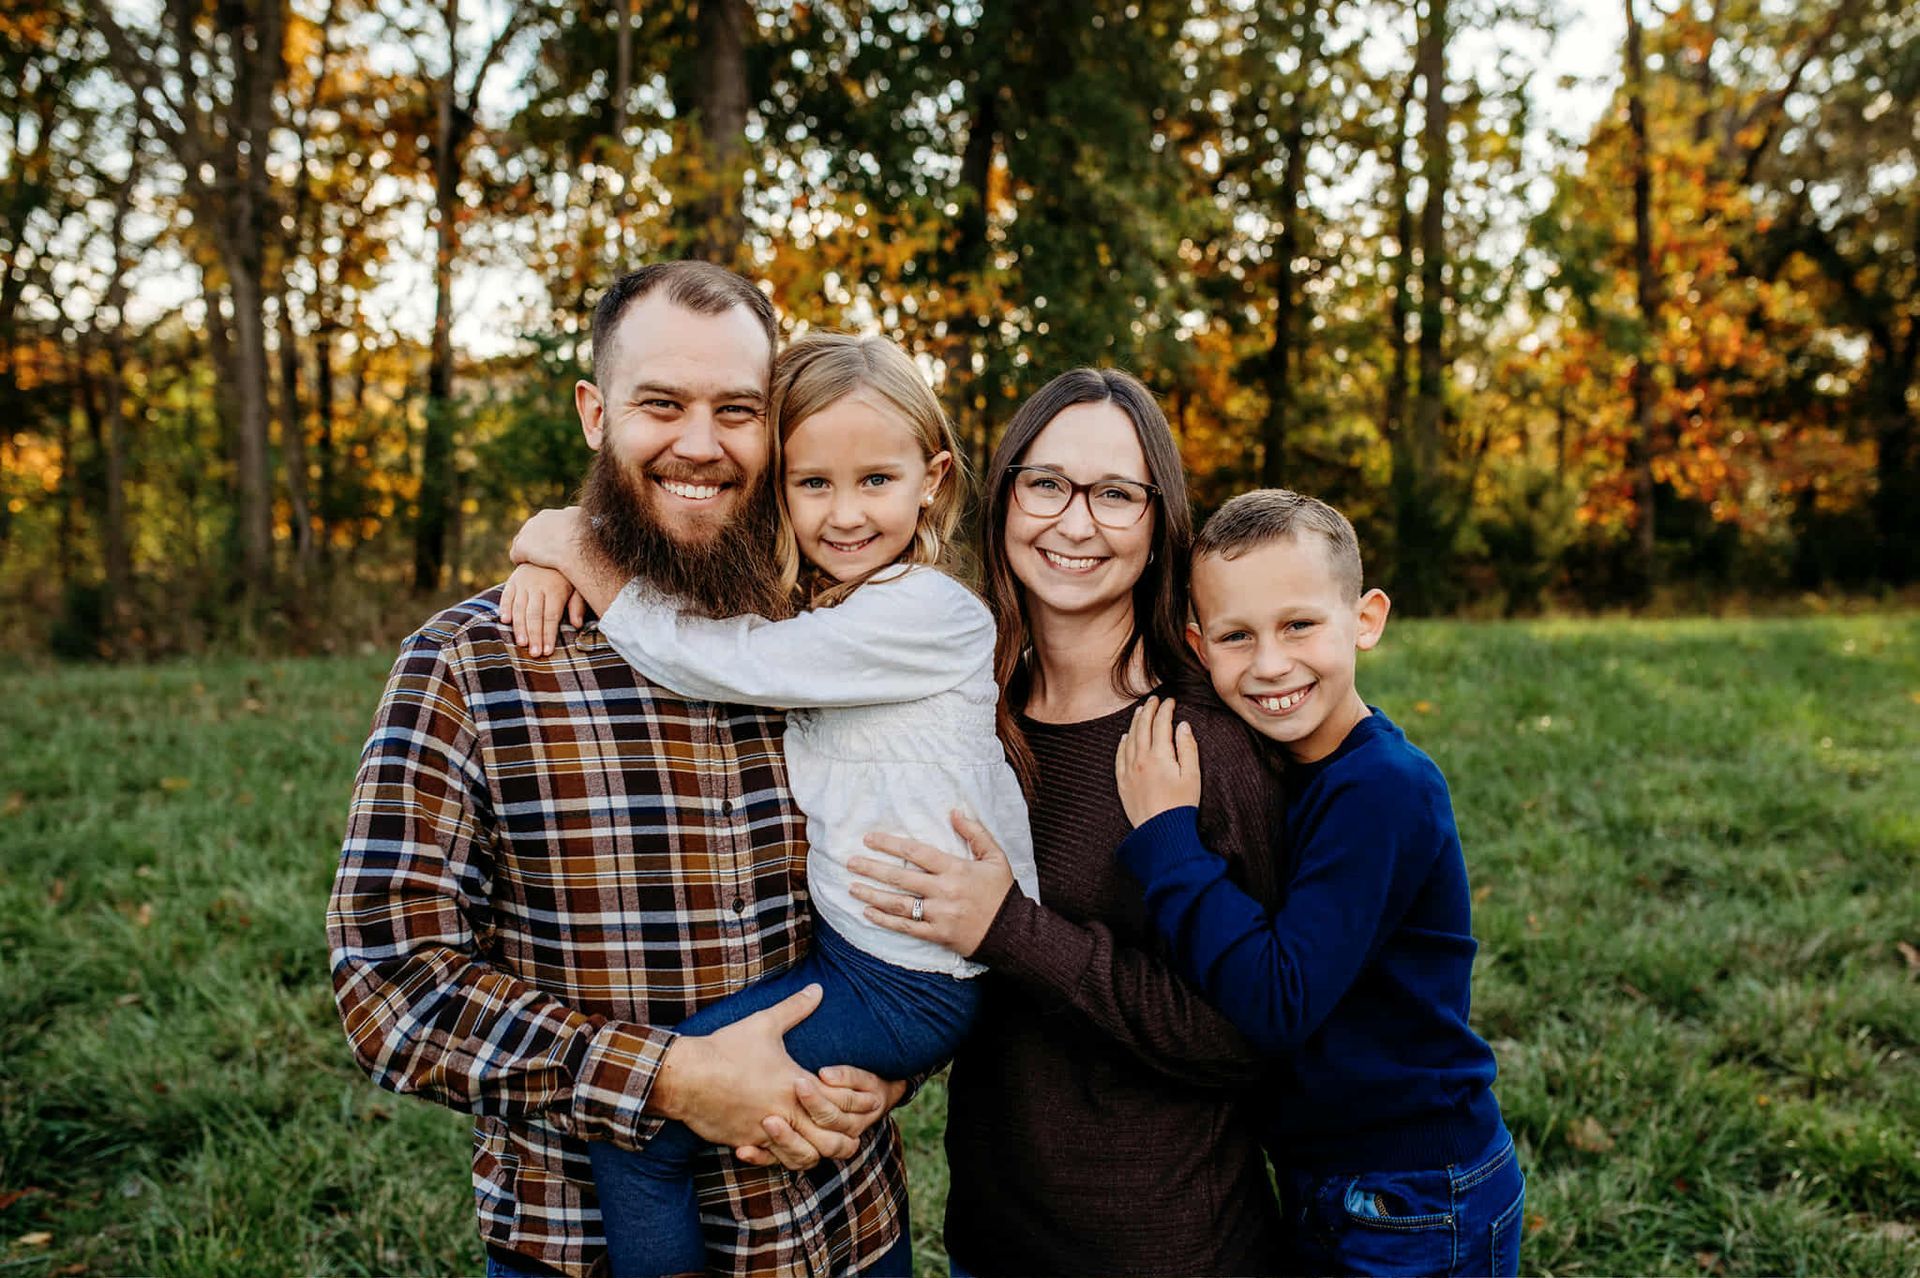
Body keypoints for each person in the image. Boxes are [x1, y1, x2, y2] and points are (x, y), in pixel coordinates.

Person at [325, 262, 915, 1278]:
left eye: (737, 409)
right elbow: (391, 984)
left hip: (839, 1230)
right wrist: (667, 1080)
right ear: (596, 413)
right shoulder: (474, 664)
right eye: (661, 404)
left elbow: (932, 885)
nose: (700, 443)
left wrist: (895, 1063)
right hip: (583, 1244)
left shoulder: (840, 636)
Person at [497, 331, 1040, 1277]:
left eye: (876, 480)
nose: (844, 514)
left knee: (643, 1131)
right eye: (812, 483)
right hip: (873, 962)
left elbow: (721, 658)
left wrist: (572, 545)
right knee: (668, 1105)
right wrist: (551, 560)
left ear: (934, 479)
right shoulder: (838, 608)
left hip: (905, 979)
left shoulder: (928, 614)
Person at [843, 369, 1288, 1274]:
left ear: (1160, 522)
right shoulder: (966, 713)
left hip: (1163, 1247)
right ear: (1004, 495)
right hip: (993, 1237)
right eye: (1046, 483)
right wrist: (901, 1063)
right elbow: (977, 969)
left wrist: (1013, 927)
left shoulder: (1203, 743)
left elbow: (1253, 1033)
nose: (1075, 523)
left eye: (1116, 494)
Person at [1110, 488, 1523, 1277]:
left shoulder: (1384, 788)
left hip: (1412, 1193)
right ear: (1199, 647)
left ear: (1365, 619)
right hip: (1334, 1178)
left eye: (1300, 624)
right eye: (1237, 636)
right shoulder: (1291, 769)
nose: (1270, 663)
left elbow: (1279, 998)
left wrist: (1167, 839)